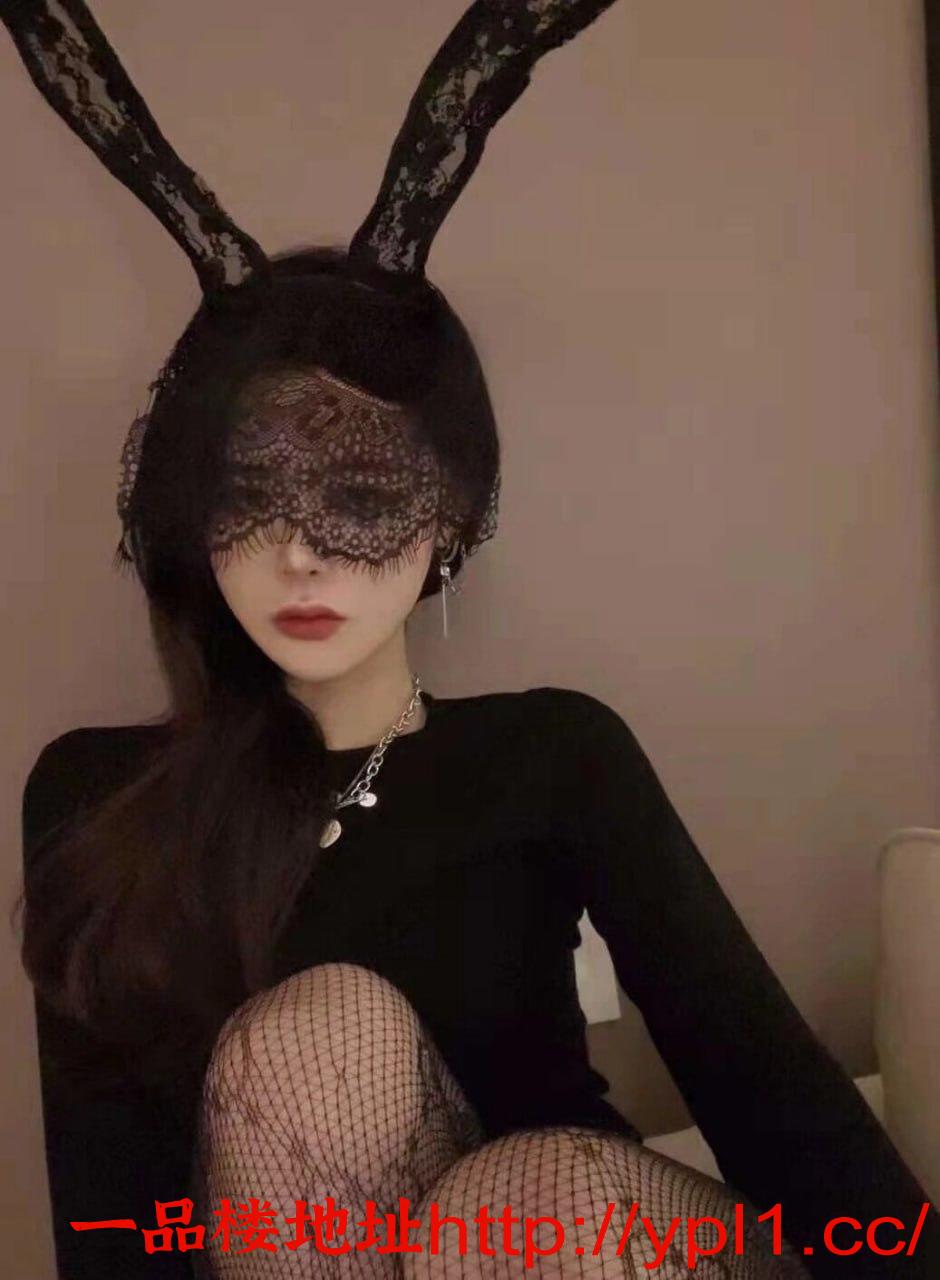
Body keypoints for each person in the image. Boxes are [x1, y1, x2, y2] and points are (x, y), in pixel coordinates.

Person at [7, 3, 939, 1278]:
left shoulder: (550, 754)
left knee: (519, 1196)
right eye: (250, 493)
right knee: (312, 1037)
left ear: (448, 516)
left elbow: (766, 1086)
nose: (302, 553)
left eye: (360, 492)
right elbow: (116, 1229)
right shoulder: (95, 797)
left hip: (587, 1241)